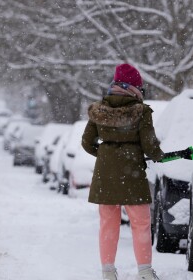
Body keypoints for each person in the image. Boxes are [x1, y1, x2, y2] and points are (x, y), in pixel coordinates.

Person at [82, 63, 165, 280]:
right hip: (133, 173)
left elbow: (86, 142)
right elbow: (149, 145)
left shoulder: (99, 110)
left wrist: (104, 155)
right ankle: (145, 271)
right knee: (141, 223)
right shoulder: (141, 111)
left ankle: (108, 272)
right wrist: (159, 155)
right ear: (134, 87)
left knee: (108, 224)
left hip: (105, 174)